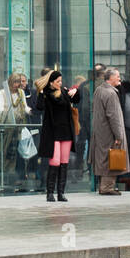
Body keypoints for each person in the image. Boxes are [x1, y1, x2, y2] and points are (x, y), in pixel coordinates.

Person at [37, 71, 79, 202]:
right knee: (54, 162)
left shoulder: (65, 93)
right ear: (51, 82)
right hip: (53, 133)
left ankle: (61, 193)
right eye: (57, 81)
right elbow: (39, 107)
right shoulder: (47, 95)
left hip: (66, 132)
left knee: (64, 163)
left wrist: (75, 92)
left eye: (61, 81)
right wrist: (41, 93)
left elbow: (77, 99)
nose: (60, 83)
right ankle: (50, 193)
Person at [91, 67, 127, 195]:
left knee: (103, 157)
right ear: (110, 78)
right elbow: (114, 116)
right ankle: (107, 187)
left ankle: (104, 186)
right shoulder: (111, 93)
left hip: (100, 131)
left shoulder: (99, 90)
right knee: (111, 158)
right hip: (109, 132)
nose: (119, 78)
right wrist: (119, 135)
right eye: (117, 76)